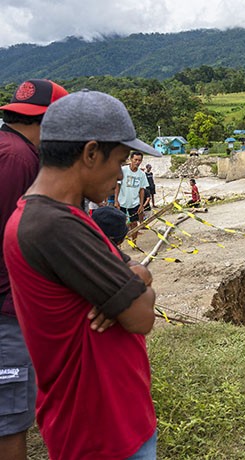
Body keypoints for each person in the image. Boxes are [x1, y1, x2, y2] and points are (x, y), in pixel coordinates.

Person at [3, 89, 159, 460]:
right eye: (119, 160)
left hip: (114, 422)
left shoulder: (66, 216)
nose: (119, 174)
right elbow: (142, 317)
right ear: (90, 153)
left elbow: (138, 274)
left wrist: (136, 278)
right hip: (100, 431)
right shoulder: (54, 226)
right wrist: (133, 285)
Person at [0, 79, 68, 460]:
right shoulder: (19, 159)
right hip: (6, 308)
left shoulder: (8, 148)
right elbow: (18, 233)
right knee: (9, 421)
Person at [114, 151, 148, 239]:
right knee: (120, 223)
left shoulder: (142, 174)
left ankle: (134, 242)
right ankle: (119, 243)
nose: (137, 162)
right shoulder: (123, 170)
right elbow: (117, 185)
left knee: (134, 223)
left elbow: (142, 190)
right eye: (135, 160)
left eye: (139, 160)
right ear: (131, 159)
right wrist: (116, 200)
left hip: (134, 203)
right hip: (121, 202)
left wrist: (141, 205)